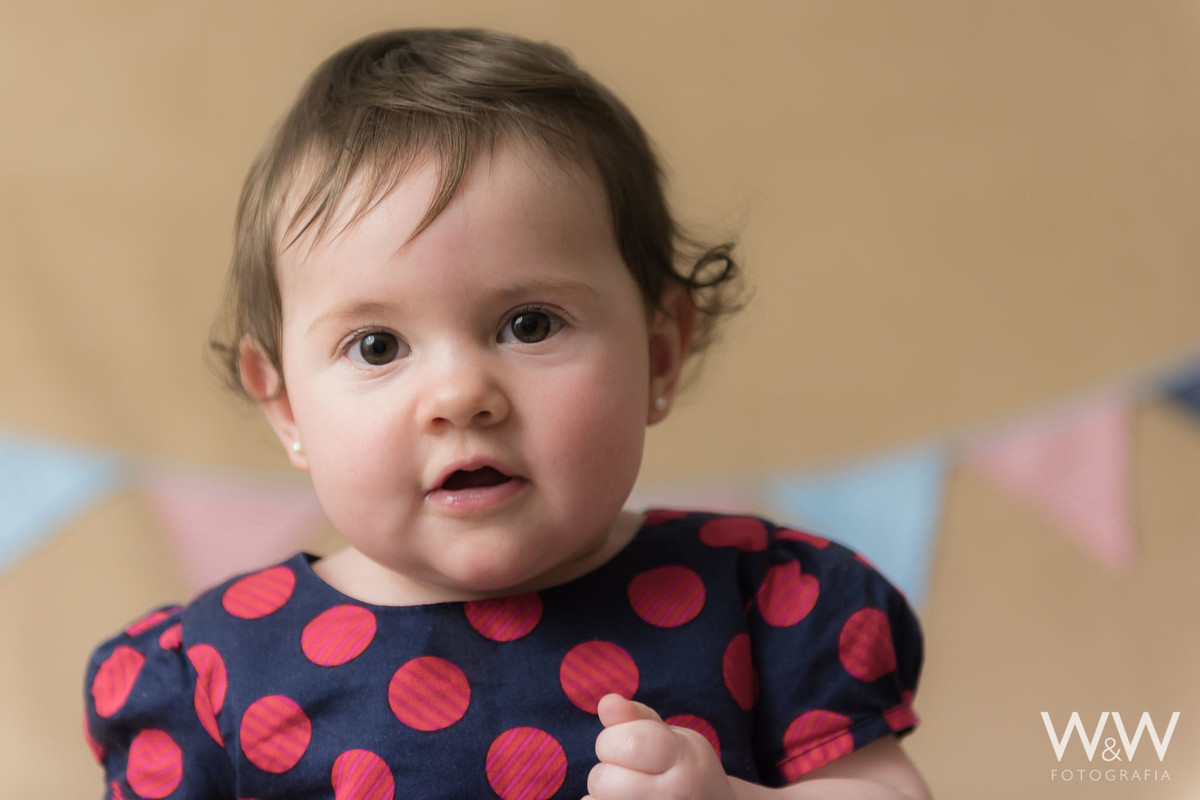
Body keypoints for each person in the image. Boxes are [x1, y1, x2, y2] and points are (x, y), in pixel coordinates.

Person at [84, 28, 930, 800]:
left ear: (661, 352)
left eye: (530, 325)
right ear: (284, 403)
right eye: (377, 346)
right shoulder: (215, 671)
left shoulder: (763, 604)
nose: (459, 396)